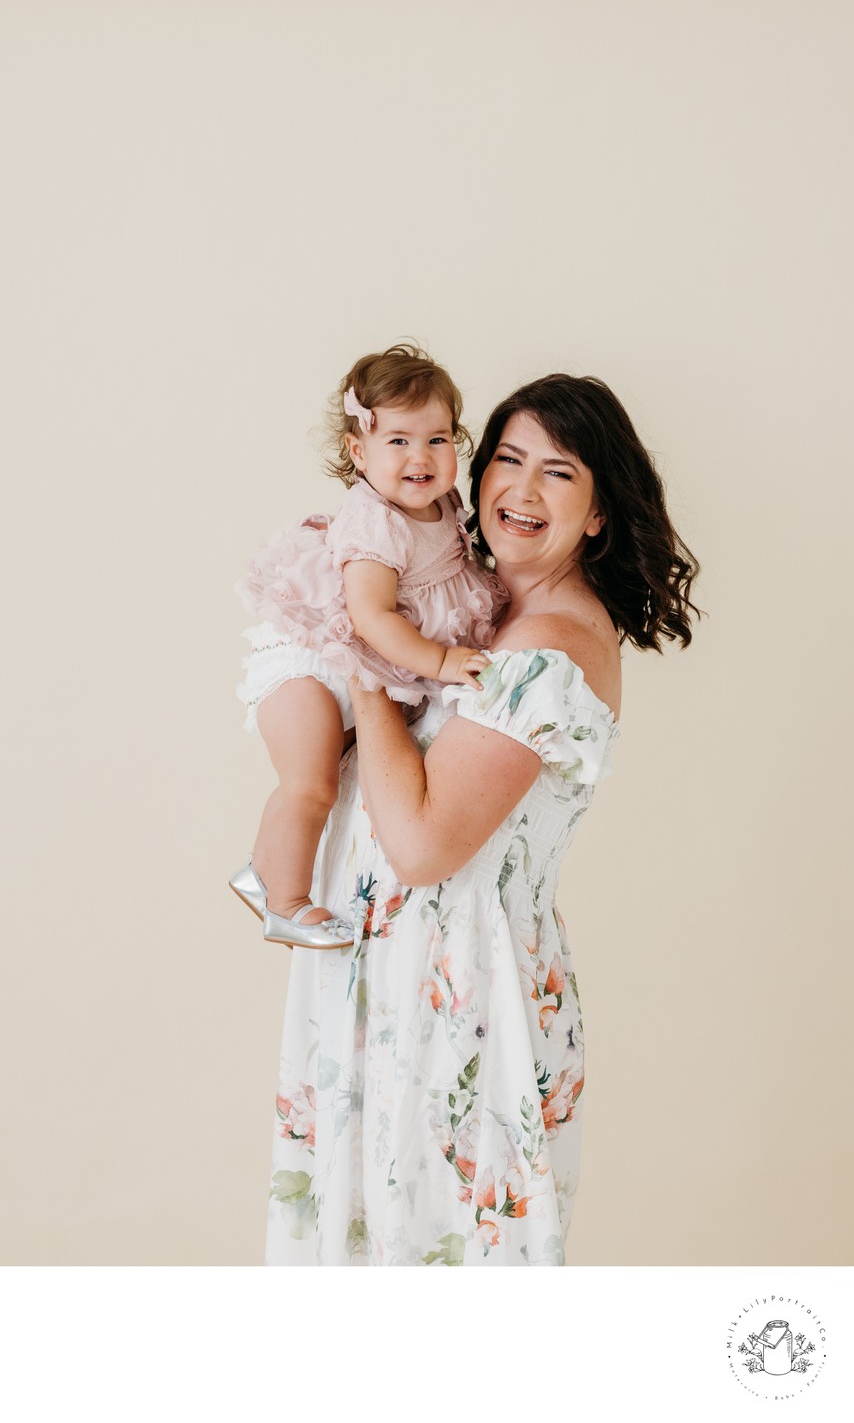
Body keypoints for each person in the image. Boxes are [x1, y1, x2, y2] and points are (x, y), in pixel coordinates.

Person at [264, 373, 700, 1265]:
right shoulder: (487, 616)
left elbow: (421, 845)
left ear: (599, 515)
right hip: (396, 979)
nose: (522, 490)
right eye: (507, 458)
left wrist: (362, 660)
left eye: (559, 472)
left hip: (459, 997)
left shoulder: (550, 647)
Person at [230, 344, 508, 949]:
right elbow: (372, 615)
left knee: (331, 772)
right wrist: (440, 661)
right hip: (310, 664)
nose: (421, 457)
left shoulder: (443, 507)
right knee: (312, 783)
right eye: (399, 441)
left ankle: (260, 870)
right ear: (359, 451)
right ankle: (286, 903)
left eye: (438, 440)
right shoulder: (373, 519)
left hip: (358, 674)